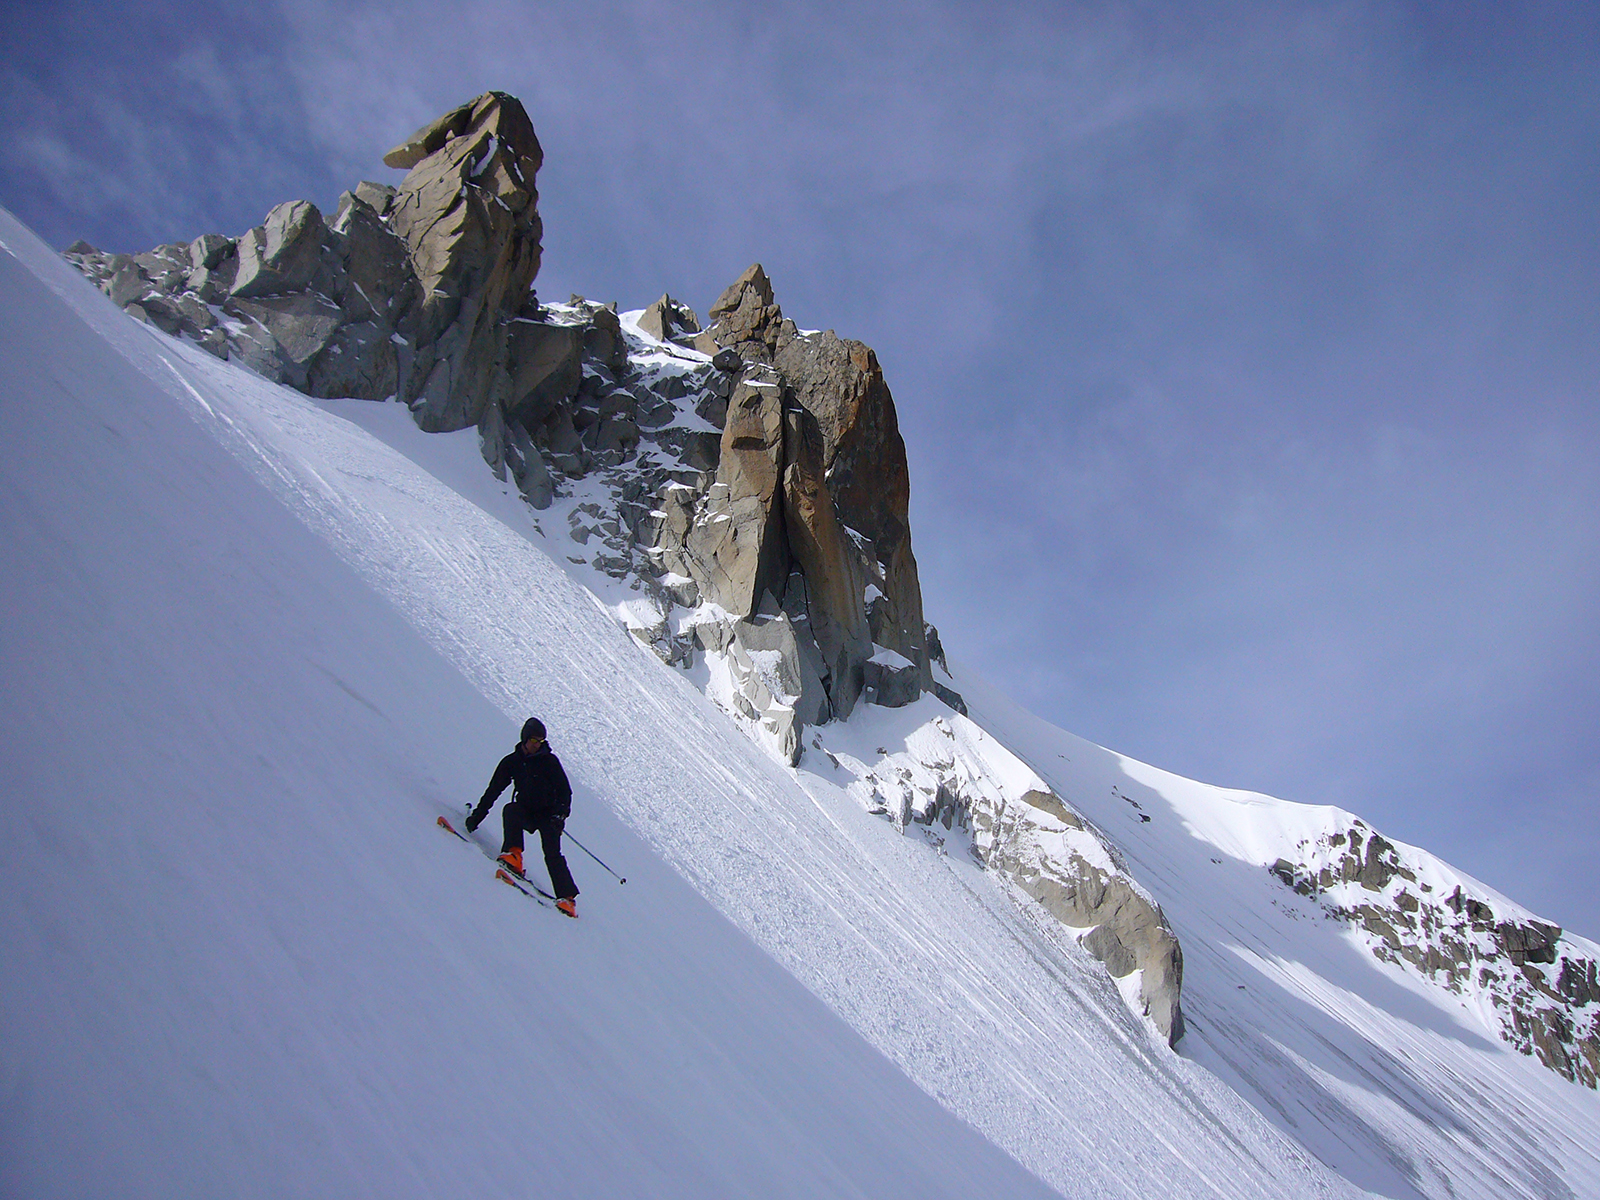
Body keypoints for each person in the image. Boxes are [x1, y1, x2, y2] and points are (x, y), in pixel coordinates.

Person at [466, 717, 579, 918]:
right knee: (511, 810)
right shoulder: (512, 762)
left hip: (549, 815)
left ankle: (567, 898)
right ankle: (514, 855)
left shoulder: (549, 762)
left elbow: (565, 791)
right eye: (535, 741)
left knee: (552, 852)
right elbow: (493, 791)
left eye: (541, 741)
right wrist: (476, 817)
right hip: (526, 810)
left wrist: (561, 815)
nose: (538, 745)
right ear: (525, 739)